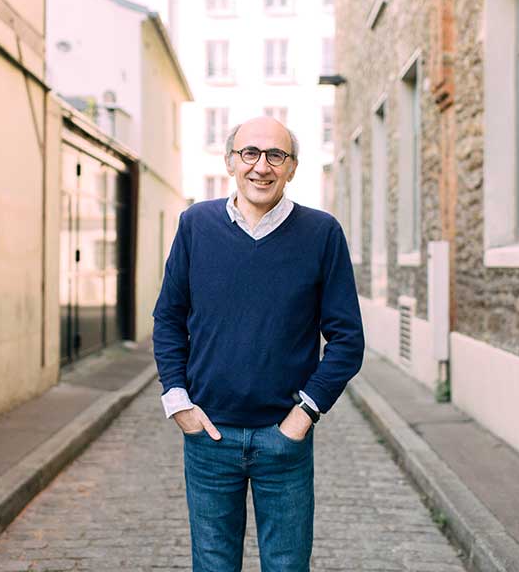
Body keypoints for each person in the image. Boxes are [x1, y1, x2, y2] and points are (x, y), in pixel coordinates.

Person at [152, 116, 364, 572]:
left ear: (292, 168)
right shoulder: (195, 225)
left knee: (287, 567)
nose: (261, 166)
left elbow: (348, 339)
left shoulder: (322, 234)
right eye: (250, 153)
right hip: (209, 437)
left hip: (282, 441)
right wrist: (178, 402)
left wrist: (304, 414)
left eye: (276, 156)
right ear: (230, 161)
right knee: (213, 566)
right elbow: (168, 319)